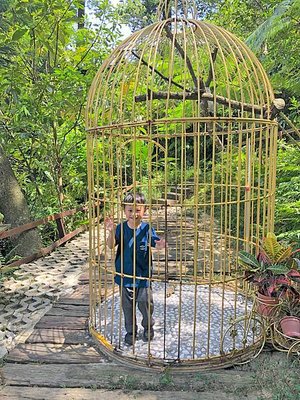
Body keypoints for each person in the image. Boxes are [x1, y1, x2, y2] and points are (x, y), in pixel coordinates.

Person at [105, 192, 166, 346]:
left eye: (137, 210)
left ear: (144, 210)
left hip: (143, 276)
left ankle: (148, 327)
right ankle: (131, 332)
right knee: (127, 307)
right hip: (124, 276)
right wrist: (111, 232)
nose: (133, 214)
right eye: (130, 210)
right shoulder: (120, 228)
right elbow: (111, 245)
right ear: (124, 211)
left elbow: (155, 243)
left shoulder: (147, 228)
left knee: (146, 304)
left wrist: (159, 245)